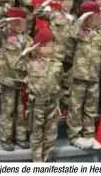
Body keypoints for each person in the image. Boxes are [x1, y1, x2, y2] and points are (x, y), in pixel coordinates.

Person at [67, 1, 101, 150]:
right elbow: (70, 35)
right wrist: (81, 18)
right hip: (79, 76)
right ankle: (75, 136)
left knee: (90, 108)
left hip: (93, 76)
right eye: (94, 15)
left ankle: (89, 135)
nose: (97, 18)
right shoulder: (77, 31)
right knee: (76, 107)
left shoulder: (98, 35)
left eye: (97, 15)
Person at [0, 7, 33, 152]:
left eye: (22, 22)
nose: (20, 26)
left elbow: (32, 59)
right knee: (8, 111)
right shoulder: (5, 35)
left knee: (22, 111)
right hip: (8, 80)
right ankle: (6, 139)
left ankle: (21, 137)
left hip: (23, 81)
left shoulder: (29, 39)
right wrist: (6, 19)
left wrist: (30, 75)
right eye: (16, 22)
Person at [33, 0, 75, 115]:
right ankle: (54, 111)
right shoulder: (53, 14)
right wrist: (49, 1)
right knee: (55, 84)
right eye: (66, 1)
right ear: (61, 2)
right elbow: (37, 12)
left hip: (70, 56)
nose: (69, 4)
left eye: (71, 1)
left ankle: (64, 110)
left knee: (67, 86)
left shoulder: (74, 18)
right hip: (56, 55)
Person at [26, 28, 63, 162]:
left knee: (51, 135)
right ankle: (38, 162)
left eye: (52, 45)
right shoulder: (31, 63)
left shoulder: (57, 64)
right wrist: (28, 51)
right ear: (39, 47)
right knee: (37, 135)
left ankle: (47, 159)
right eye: (47, 45)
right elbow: (15, 66)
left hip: (52, 104)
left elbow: (60, 80)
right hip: (37, 105)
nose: (50, 48)